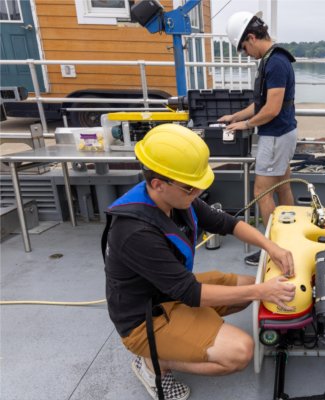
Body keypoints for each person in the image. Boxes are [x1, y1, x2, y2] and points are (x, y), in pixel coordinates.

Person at [102, 124, 296, 400]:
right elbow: (191, 293)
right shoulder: (135, 232)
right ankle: (154, 363)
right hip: (145, 318)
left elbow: (226, 223)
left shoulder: (177, 197)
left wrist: (270, 245)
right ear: (158, 184)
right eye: (190, 188)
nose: (197, 193)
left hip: (170, 292)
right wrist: (262, 292)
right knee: (241, 352)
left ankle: (190, 335)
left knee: (251, 286)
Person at [218, 11, 297, 266]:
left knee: (261, 190)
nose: (245, 53)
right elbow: (260, 104)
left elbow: (271, 110)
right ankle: (290, 241)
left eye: (243, 48)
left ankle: (273, 251)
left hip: (275, 136)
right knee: (283, 186)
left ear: (251, 38)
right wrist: (234, 116)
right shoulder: (271, 59)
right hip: (282, 134)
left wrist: (246, 125)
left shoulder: (275, 63)